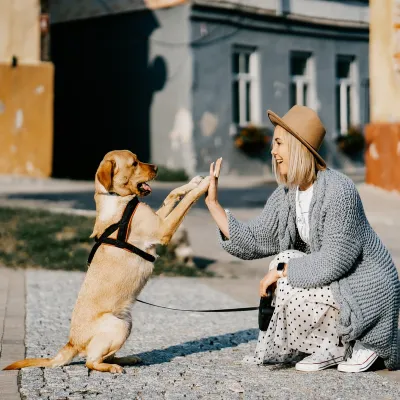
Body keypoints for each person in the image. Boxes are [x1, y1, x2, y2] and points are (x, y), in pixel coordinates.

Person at [205, 105, 399, 372]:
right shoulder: (288, 193)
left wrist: (282, 272)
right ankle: (330, 346)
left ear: (297, 146)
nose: (273, 151)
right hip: (337, 283)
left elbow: (334, 261)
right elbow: (254, 240)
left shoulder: (339, 190)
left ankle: (363, 342)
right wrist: (214, 205)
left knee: (284, 267)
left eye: (279, 143)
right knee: (283, 260)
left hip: (366, 289)